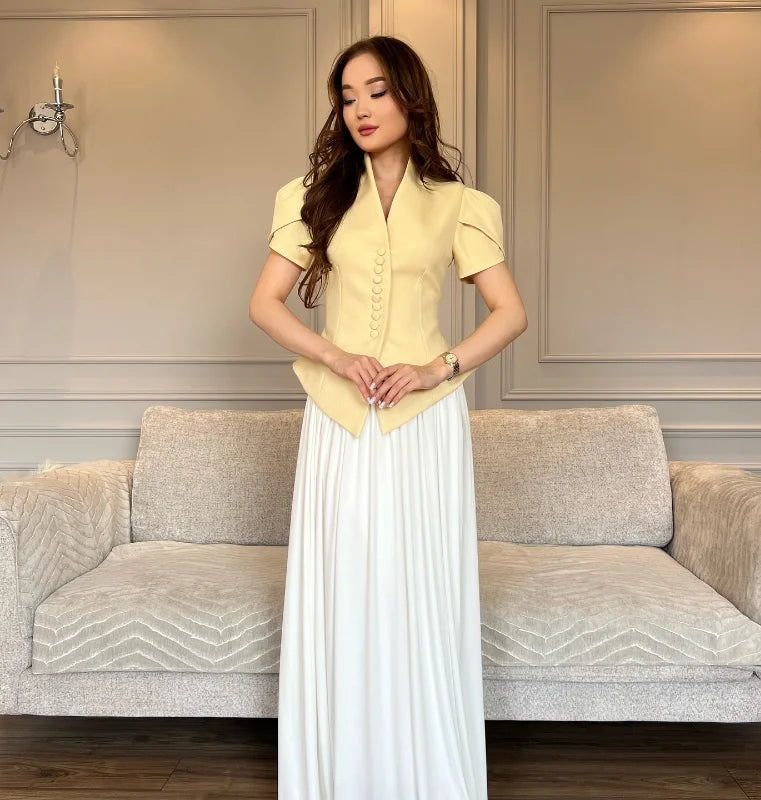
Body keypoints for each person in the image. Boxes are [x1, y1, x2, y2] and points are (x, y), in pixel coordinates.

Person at [249, 34, 527, 800]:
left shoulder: (461, 205)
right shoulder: (312, 195)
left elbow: (509, 314)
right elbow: (263, 304)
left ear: (409, 95)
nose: (360, 109)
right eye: (346, 96)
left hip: (425, 424)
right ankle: (340, 774)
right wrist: (336, 358)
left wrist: (438, 369)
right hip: (339, 424)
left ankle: (425, 774)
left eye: (375, 90)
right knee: (346, 588)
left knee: (418, 589)